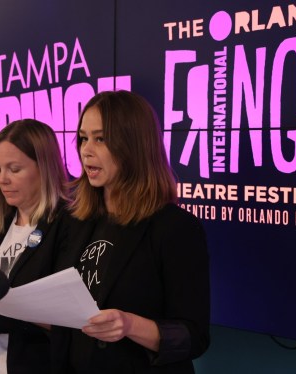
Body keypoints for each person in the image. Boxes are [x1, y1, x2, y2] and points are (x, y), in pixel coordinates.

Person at [52, 90, 210, 373]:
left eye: (100, 139)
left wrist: (129, 325)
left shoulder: (176, 228)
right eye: (84, 138)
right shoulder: (75, 219)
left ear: (133, 145)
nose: (86, 150)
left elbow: (193, 337)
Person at [0, 119, 71, 373]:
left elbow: (66, 319)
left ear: (45, 168)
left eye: (14, 169)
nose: (3, 179)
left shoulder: (68, 226)